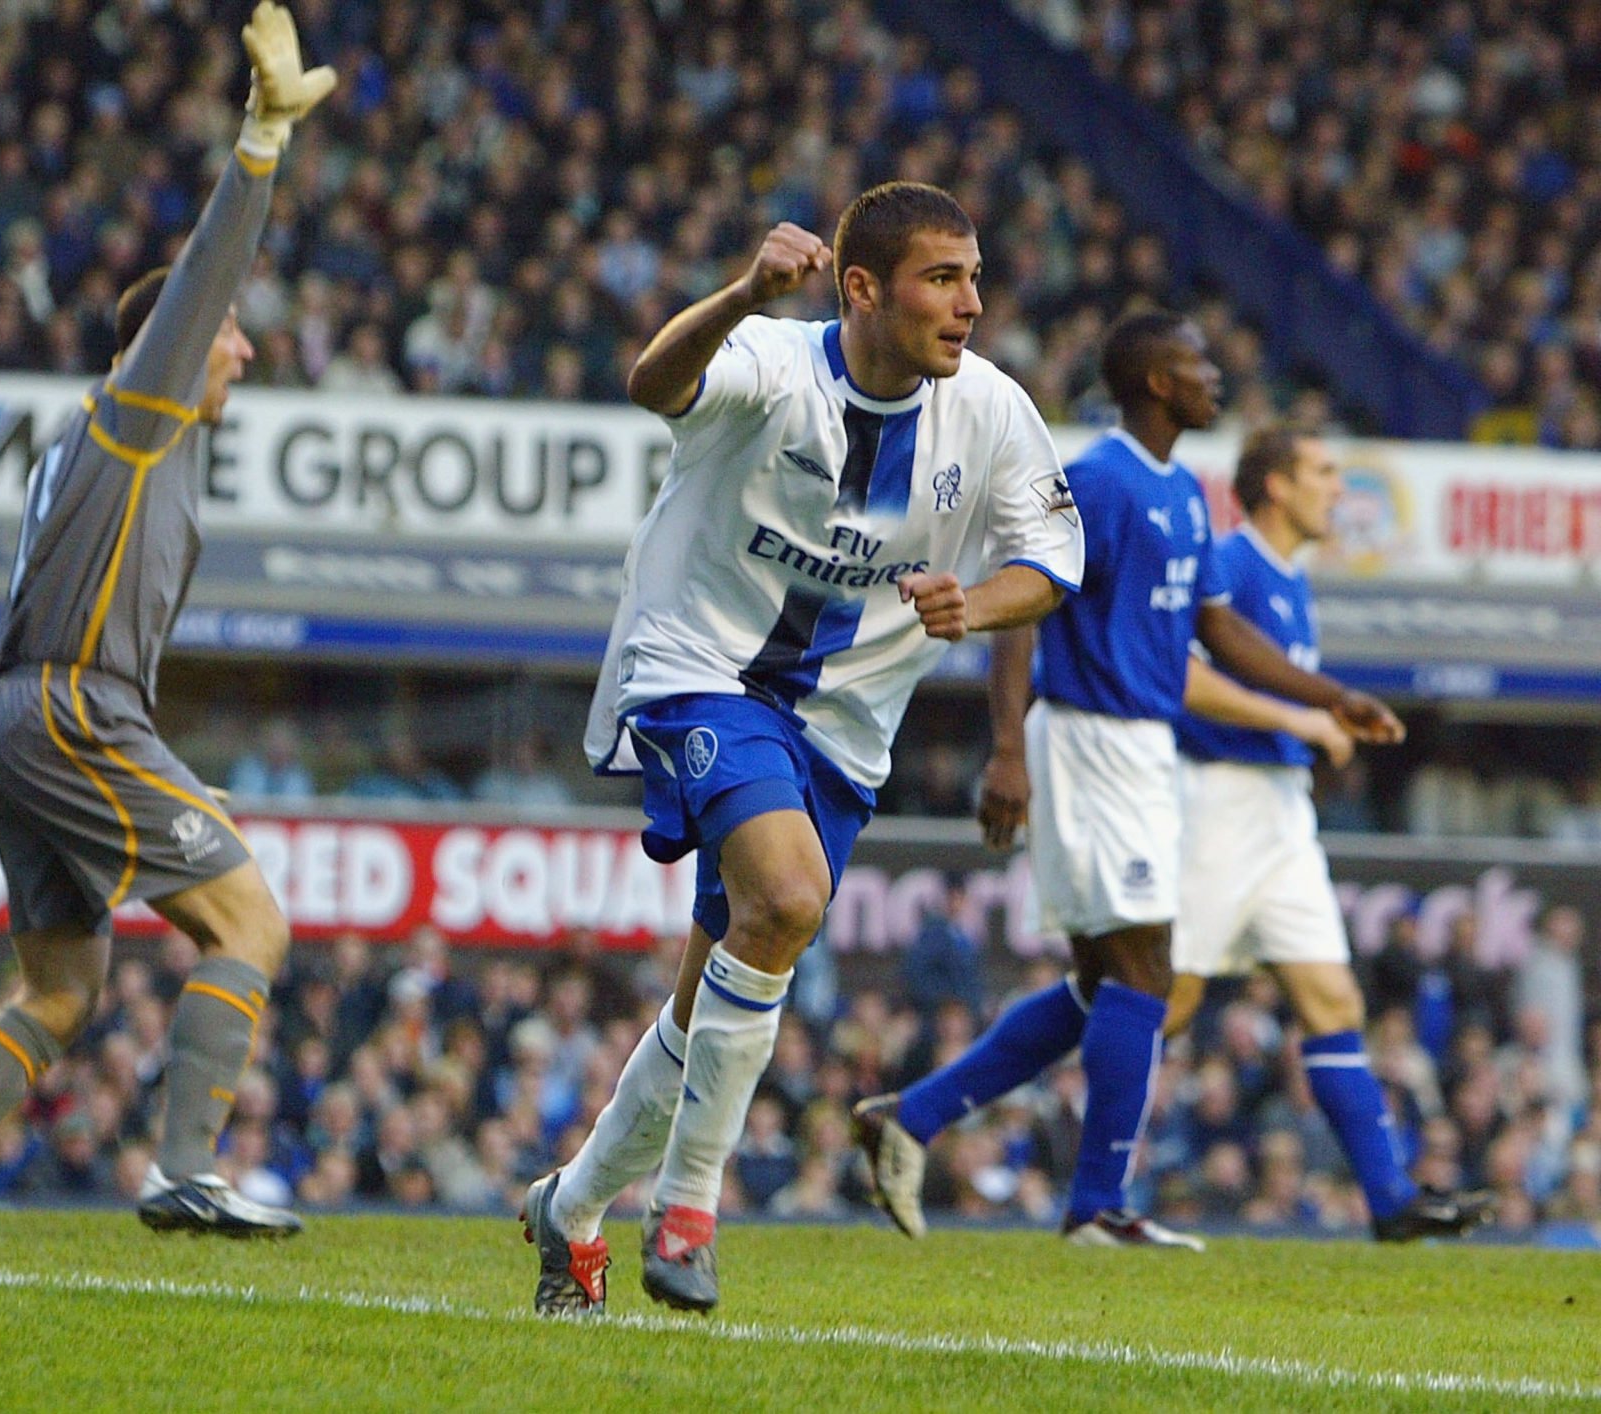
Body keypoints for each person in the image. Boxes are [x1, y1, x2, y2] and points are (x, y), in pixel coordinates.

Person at [520, 182, 1086, 1315]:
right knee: (786, 898)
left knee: (704, 1005)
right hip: (703, 667)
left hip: (844, 726)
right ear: (861, 286)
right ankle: (689, 1207)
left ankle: (571, 1206)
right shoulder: (772, 361)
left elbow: (1051, 563)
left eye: (976, 276)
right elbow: (652, 384)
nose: (971, 303)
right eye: (943, 278)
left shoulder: (990, 408)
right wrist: (739, 293)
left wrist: (974, 605)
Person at [853, 312, 1405, 1249]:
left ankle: (913, 1117)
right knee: (1149, 969)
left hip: (1146, 752)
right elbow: (1025, 598)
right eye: (1195, 364)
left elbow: (1219, 633)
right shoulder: (1101, 482)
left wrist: (1333, 697)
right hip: (1089, 742)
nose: (1214, 378)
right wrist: (1007, 748)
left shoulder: (1187, 493)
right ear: (1154, 380)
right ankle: (1096, 1206)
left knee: (1102, 982)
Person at [0, 4, 334, 1239]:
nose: (235, 343)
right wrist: (261, 145)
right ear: (162, 348)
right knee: (252, 922)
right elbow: (208, 277)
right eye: (219, 332)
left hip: (20, 712)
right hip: (73, 706)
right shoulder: (137, 409)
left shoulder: (104, 448)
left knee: (63, 989)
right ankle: (182, 1168)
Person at [1164, 427, 1492, 1241]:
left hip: (1282, 809)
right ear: (1275, 486)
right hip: (1217, 801)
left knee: (1332, 998)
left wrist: (1314, 730)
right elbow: (1176, 675)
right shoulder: (1232, 564)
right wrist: (1300, 716)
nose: (1339, 489)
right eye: (1322, 473)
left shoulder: (1292, 579)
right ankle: (1079, 1180)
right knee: (1164, 1005)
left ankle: (1390, 1201)